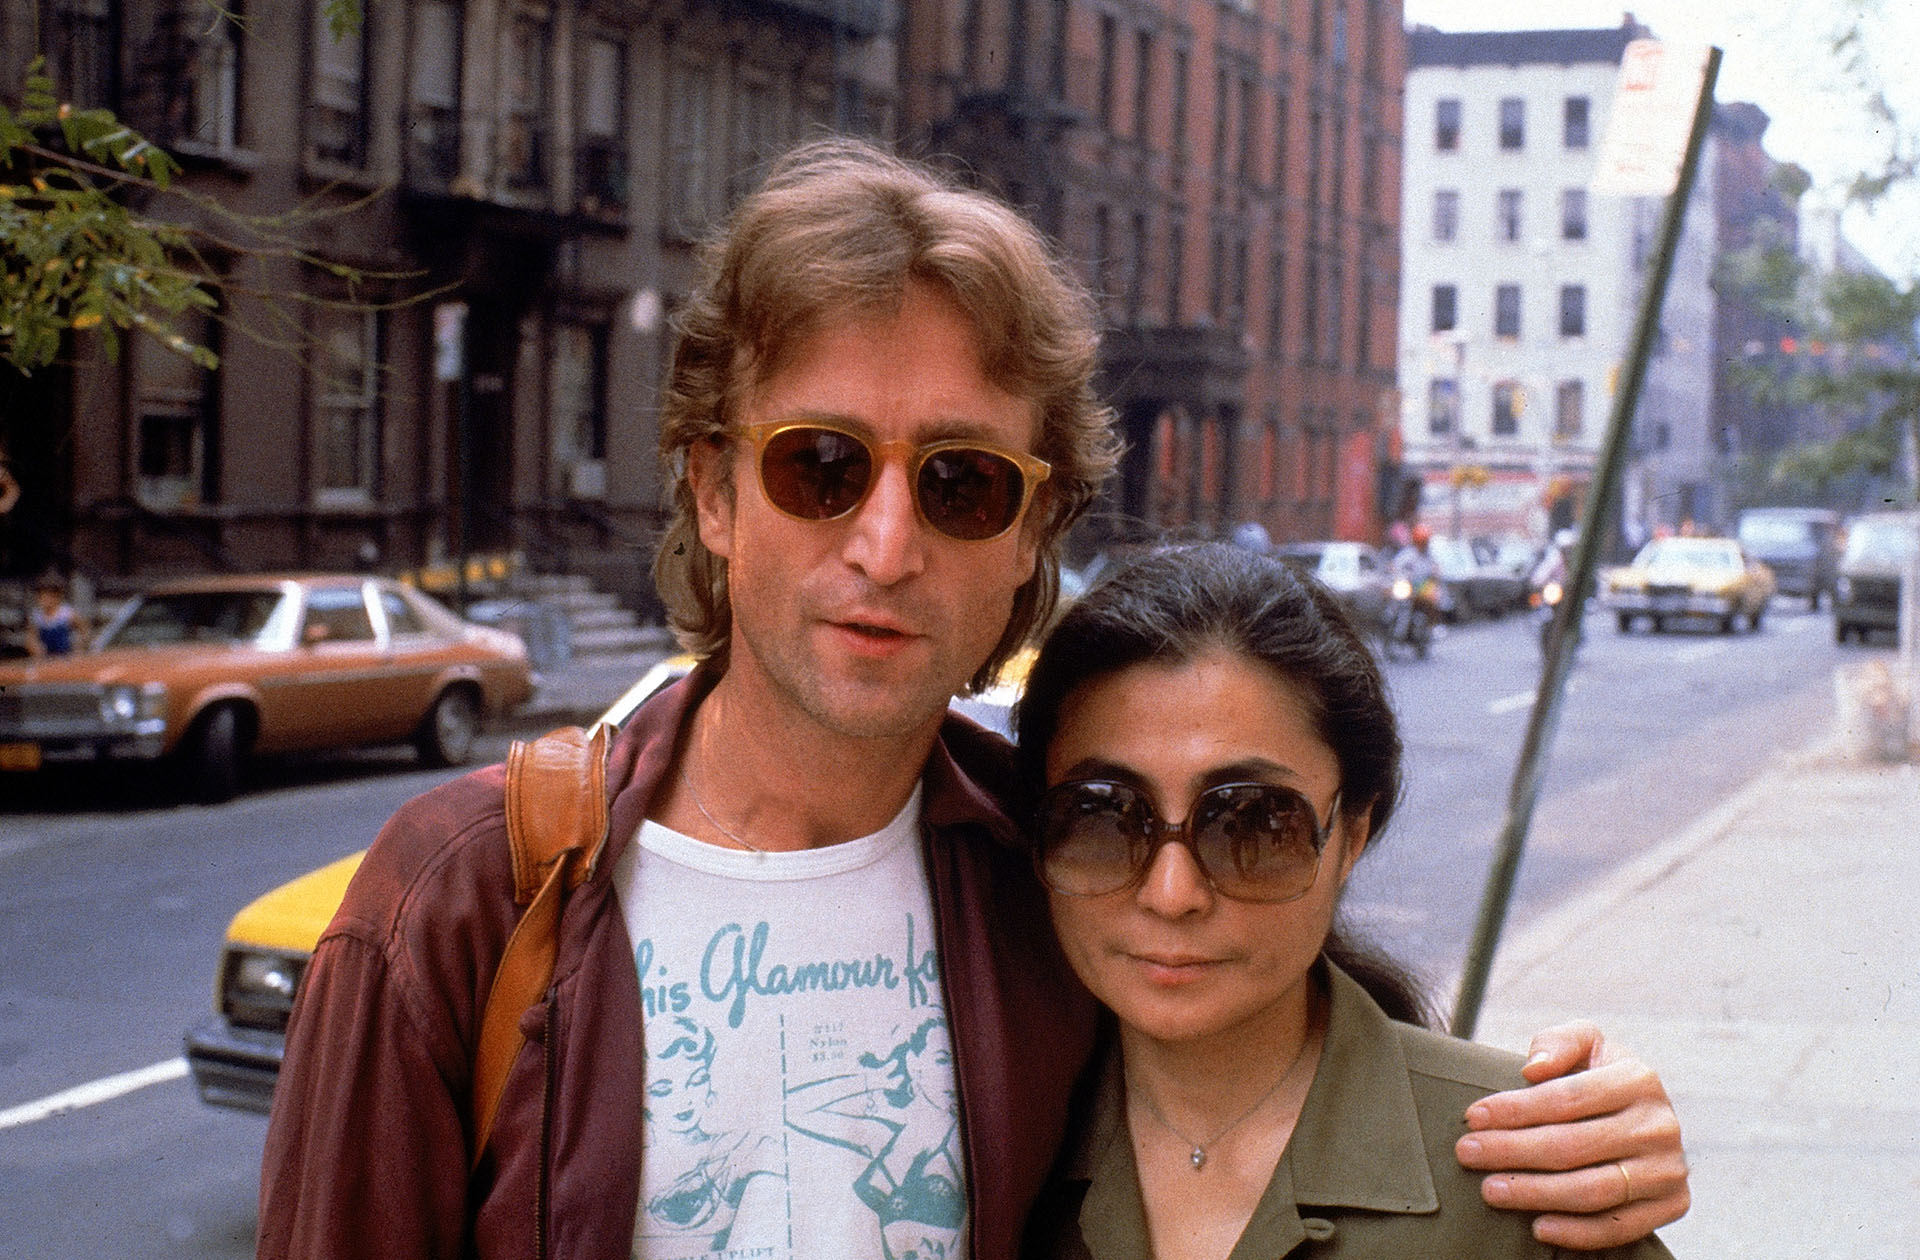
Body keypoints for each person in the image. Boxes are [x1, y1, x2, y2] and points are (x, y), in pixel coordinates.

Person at [259, 138, 1687, 1260]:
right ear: (710, 487)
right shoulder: (464, 903)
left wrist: (1556, 1121)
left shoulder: (1060, 864)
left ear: (1027, 539)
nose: (885, 545)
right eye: (820, 464)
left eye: (960, 482)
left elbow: (1274, 1037)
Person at [1015, 543, 1681, 1259]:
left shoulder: (1528, 1168)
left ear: (1351, 833)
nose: (1172, 894)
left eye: (1254, 822)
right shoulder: (984, 1146)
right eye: (1103, 816)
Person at [26, 573, 86, 657]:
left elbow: (84, 630)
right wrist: (35, 647)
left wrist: (79, 646)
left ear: (56, 597)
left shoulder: (66, 612)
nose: (43, 600)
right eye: (41, 597)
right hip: (47, 656)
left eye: (47, 597)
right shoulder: (37, 615)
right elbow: (31, 637)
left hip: (66, 654)